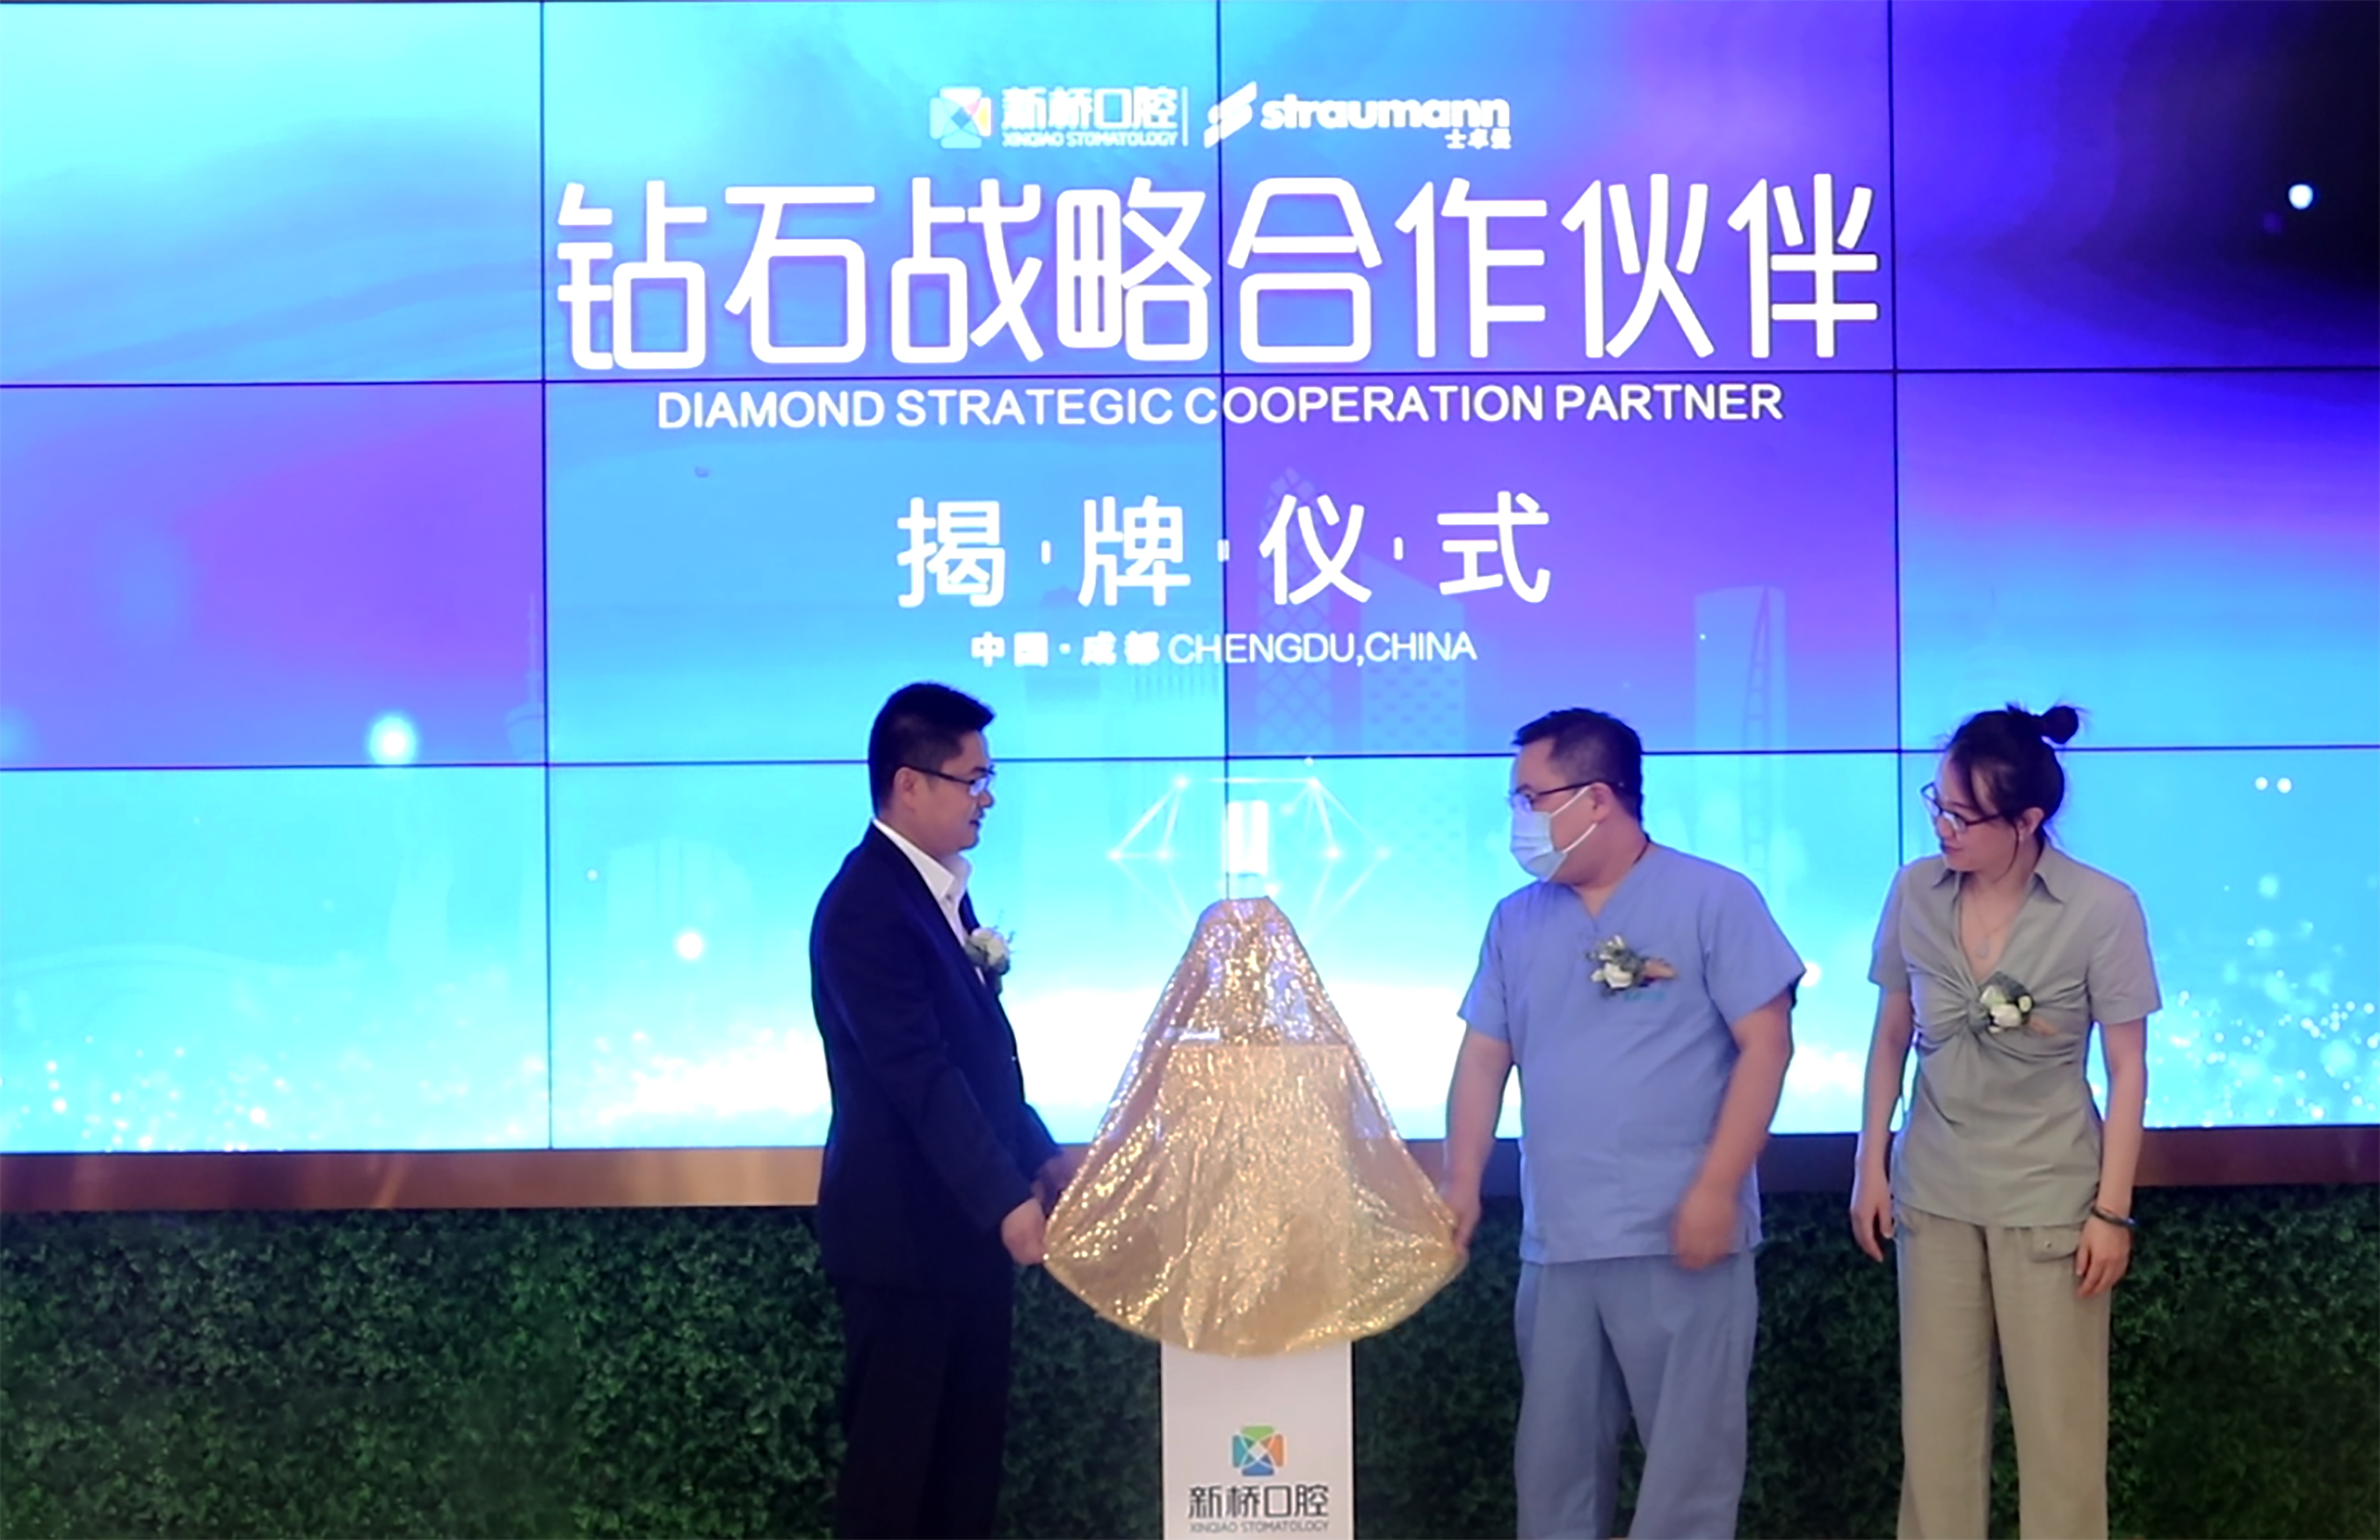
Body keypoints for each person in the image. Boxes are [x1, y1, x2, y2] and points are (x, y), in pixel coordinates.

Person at [1440, 708, 1802, 1540]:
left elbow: (1768, 1045)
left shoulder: (1715, 898)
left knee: (1688, 1474)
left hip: (1682, 1234)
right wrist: (1460, 1182)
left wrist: (1717, 1188)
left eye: (1532, 797)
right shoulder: (1516, 919)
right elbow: (1484, 1058)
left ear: (1597, 799)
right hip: (1559, 1241)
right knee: (1553, 1471)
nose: (1520, 817)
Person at [1851, 704, 2155, 1540]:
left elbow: (2128, 1070)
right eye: (1938, 805)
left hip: (2050, 1197)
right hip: (1933, 1191)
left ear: (2027, 821)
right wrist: (1870, 1164)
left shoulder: (2102, 907)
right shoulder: (1914, 890)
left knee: (2060, 1440)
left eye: (1964, 815)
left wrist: (2112, 1211)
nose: (1943, 827)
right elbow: (1889, 1037)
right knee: (1936, 1437)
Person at [809, 681, 1074, 1540]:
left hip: (961, 1245)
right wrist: (1004, 1200)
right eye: (973, 779)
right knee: (897, 1494)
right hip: (906, 1248)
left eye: (989, 779)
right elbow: (917, 1075)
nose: (987, 797)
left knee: (962, 1489)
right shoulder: (867, 909)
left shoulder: (937, 896)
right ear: (910, 784)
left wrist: (1040, 1156)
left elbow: (977, 1066)